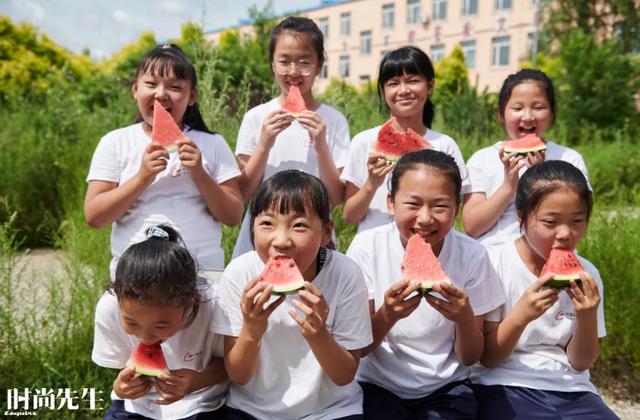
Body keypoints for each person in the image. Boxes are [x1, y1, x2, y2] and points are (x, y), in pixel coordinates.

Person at [346, 149, 504, 419]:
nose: (426, 218)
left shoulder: (473, 255)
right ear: (390, 203)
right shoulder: (367, 247)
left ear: (456, 208)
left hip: (447, 389)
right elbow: (359, 349)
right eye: (413, 204)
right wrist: (388, 315)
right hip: (377, 386)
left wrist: (465, 319)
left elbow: (470, 357)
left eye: (440, 206)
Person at [213, 170, 372, 419]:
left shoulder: (346, 273)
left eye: (299, 225)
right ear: (252, 227)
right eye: (267, 223)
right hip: (251, 410)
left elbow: (344, 376)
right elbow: (238, 375)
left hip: (331, 411)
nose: (281, 240)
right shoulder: (240, 273)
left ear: (327, 232)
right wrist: (252, 330)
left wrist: (319, 334)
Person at [472, 160, 617, 419]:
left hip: (572, 389)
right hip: (503, 383)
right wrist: (520, 316)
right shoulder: (493, 264)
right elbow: (488, 358)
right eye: (550, 222)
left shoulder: (587, 273)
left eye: (577, 221)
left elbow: (580, 362)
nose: (565, 233)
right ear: (521, 216)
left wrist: (586, 316)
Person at [84, 44, 243, 278]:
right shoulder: (115, 142)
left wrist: (199, 173)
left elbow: (232, 216)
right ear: (135, 90)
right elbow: (94, 217)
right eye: (151, 84)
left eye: (175, 87)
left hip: (202, 271)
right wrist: (142, 178)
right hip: (135, 271)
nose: (161, 94)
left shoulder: (213, 144)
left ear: (192, 96)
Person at [232, 16, 350, 258]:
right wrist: (264, 143)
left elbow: (336, 198)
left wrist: (321, 146)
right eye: (284, 61)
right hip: (262, 236)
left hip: (314, 234)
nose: (294, 71)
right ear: (272, 64)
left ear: (319, 65)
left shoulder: (334, 120)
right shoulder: (257, 118)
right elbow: (243, 193)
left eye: (305, 62)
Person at [92, 224, 228, 419]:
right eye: (132, 323)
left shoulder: (215, 305)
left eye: (161, 325)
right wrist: (120, 387)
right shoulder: (109, 307)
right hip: (134, 406)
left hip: (200, 402)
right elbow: (122, 369)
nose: (146, 337)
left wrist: (198, 380)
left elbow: (231, 364)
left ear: (190, 304)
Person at [341, 46, 468, 233]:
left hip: (429, 242)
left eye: (413, 81)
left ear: (430, 85)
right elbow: (350, 217)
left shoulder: (444, 145)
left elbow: (454, 211)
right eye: (393, 83)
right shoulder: (364, 142)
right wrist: (372, 183)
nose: (404, 90)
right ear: (384, 91)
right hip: (376, 251)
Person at [463, 68, 590, 248]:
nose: (528, 116)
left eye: (538, 107)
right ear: (501, 114)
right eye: (517, 108)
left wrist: (539, 178)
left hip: (549, 255)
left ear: (552, 114)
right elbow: (472, 227)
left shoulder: (570, 159)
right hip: (491, 260)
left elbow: (578, 221)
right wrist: (508, 187)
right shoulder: (482, 159)